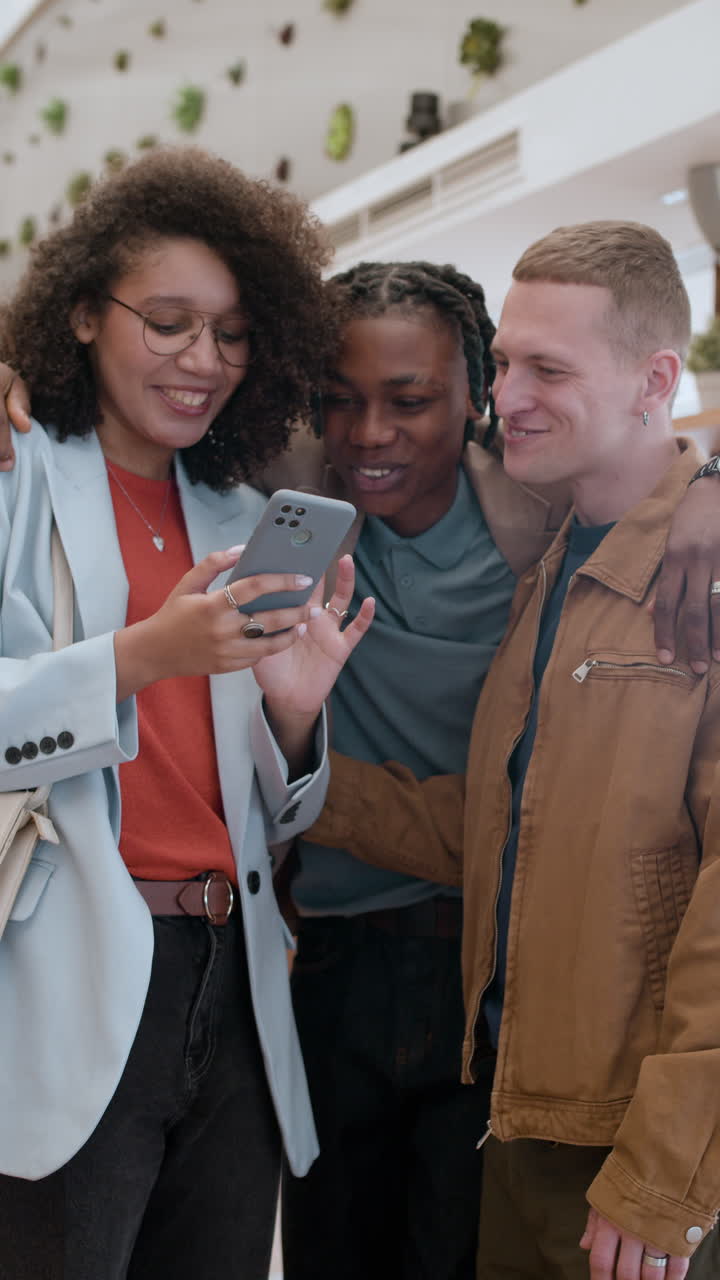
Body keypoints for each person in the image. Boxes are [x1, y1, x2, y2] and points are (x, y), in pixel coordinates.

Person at [2, 253, 719, 1280]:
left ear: (475, 395)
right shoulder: (282, 493)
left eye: (413, 399)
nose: (371, 433)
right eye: (340, 400)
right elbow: (142, 406)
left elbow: (636, 467)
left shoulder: (532, 519)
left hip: (497, 975)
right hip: (325, 961)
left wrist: (709, 484)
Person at [304, 223, 720, 1280]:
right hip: (518, 1113)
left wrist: (665, 1173)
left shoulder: (695, 576)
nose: (510, 396)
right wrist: (281, 752)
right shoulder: (553, 571)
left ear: (654, 379)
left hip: (637, 1160)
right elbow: (491, 826)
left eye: (549, 367)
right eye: (505, 364)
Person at [0, 146, 373, 1280]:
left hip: (235, 972)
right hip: (66, 969)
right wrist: (138, 654)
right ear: (79, 316)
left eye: (230, 331)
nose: (201, 359)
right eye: (167, 321)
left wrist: (296, 721)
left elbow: (262, 805)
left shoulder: (245, 511)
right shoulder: (17, 477)